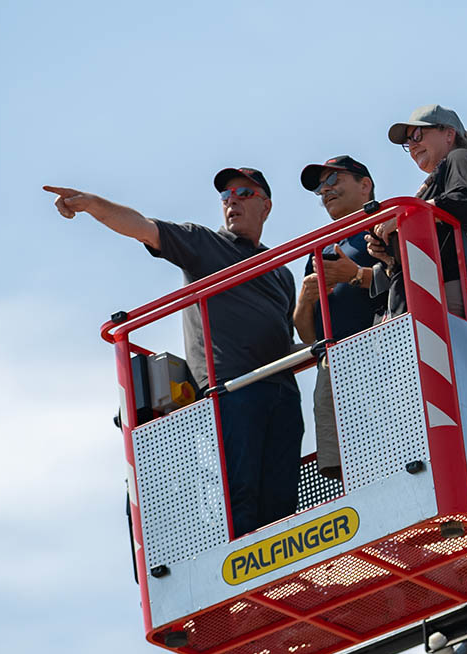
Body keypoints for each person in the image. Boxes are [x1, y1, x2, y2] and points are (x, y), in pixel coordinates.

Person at [43, 168, 301, 537]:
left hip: (282, 393)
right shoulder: (204, 244)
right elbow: (143, 227)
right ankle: (243, 582)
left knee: (281, 499)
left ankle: (282, 577)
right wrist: (91, 204)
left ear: (266, 206)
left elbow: (283, 333)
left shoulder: (281, 271)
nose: (232, 201)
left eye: (244, 192)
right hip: (231, 391)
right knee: (238, 496)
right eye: (226, 196)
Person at [293, 155, 385, 480]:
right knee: (347, 470)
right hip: (334, 366)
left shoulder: (386, 225)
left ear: (365, 185)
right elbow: (307, 334)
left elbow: (411, 280)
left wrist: (356, 274)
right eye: (320, 186)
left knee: (394, 448)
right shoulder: (320, 248)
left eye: (333, 180)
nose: (325, 190)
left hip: (382, 358)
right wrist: (304, 300)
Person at [366, 104, 467, 317]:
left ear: (449, 134)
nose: (412, 145)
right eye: (408, 142)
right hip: (425, 294)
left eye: (417, 135)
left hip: (447, 291)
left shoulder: (460, 158)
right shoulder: (434, 186)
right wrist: (389, 254)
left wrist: (402, 219)